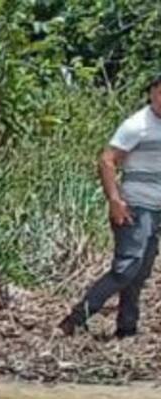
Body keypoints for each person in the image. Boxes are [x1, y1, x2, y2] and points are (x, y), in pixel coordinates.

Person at [62, 74, 161, 338]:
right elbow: (107, 160)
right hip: (135, 207)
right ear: (152, 92)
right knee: (127, 267)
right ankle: (76, 318)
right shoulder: (137, 125)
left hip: (156, 210)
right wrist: (115, 202)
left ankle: (127, 329)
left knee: (139, 273)